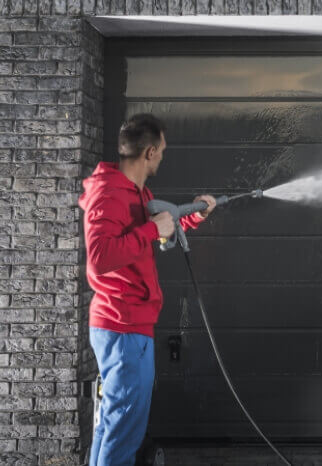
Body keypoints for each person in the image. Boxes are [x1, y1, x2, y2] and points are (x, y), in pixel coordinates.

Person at [78, 113, 216, 465]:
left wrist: (195, 215)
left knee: (114, 426)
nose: (164, 157)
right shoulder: (110, 194)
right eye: (163, 151)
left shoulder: (138, 193)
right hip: (122, 328)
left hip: (129, 327)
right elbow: (99, 257)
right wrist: (151, 231)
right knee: (124, 431)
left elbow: (160, 226)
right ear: (150, 152)